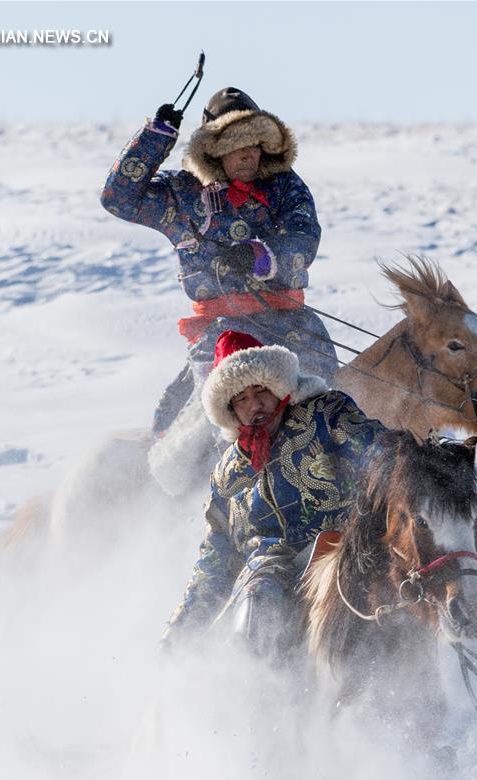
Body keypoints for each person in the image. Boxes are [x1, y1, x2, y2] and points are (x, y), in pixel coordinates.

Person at [100, 86, 337, 438]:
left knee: (328, 405)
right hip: (218, 335)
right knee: (212, 428)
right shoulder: (179, 195)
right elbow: (117, 198)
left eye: (255, 144)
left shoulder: (286, 186)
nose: (248, 154)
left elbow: (304, 236)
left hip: (290, 326)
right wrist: (156, 136)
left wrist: (260, 256)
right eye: (236, 145)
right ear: (213, 152)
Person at [162, 331, 384, 662]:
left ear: (278, 385)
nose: (255, 405)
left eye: (261, 390)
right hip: (271, 578)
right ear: (229, 408)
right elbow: (216, 560)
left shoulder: (326, 414)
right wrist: (179, 634)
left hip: (347, 545)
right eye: (241, 398)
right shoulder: (227, 475)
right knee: (257, 598)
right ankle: (260, 697)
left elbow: (381, 453)